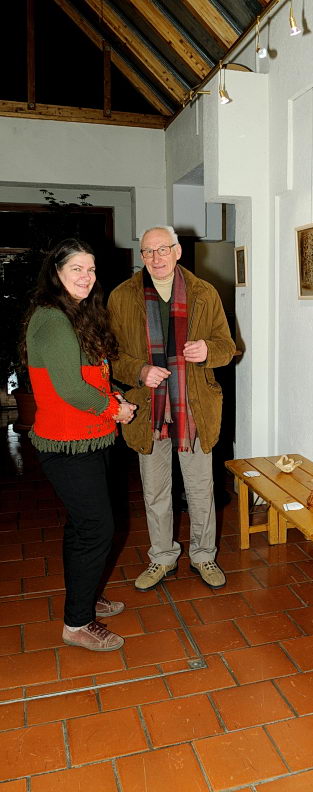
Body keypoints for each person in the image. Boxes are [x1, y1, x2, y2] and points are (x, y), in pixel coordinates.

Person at [21, 239, 136, 651]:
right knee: (97, 528)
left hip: (89, 438)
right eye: (76, 269)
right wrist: (115, 409)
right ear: (56, 273)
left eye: (90, 269)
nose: (86, 277)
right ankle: (77, 624)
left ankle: (84, 597)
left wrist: (114, 394)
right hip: (67, 443)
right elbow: (70, 389)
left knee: (84, 525)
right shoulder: (53, 319)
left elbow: (89, 377)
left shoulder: (74, 313)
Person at [108, 225, 235, 591]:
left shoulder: (204, 293)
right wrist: (140, 370)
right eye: (148, 251)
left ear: (178, 252)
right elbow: (111, 358)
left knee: (200, 489)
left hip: (193, 407)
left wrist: (208, 350)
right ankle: (162, 557)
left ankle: (203, 555)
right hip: (148, 409)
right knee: (155, 491)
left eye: (163, 249)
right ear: (142, 256)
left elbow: (227, 347)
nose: (156, 257)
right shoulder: (122, 296)